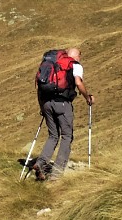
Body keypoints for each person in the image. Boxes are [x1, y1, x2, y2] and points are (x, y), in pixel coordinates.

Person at [31, 47, 93, 181]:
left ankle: (40, 163)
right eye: (79, 57)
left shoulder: (51, 64)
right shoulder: (74, 65)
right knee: (66, 136)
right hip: (63, 104)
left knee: (53, 135)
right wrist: (87, 97)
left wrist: (42, 107)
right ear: (76, 56)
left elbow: (39, 88)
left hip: (46, 103)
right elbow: (78, 82)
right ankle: (57, 174)